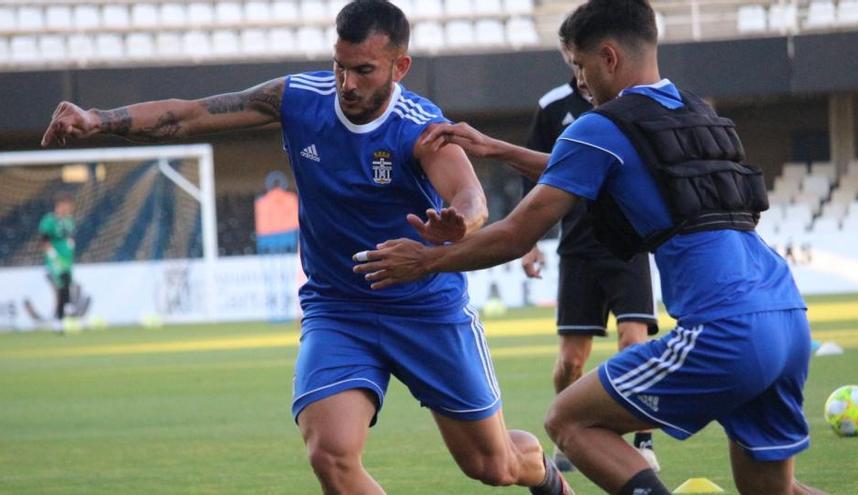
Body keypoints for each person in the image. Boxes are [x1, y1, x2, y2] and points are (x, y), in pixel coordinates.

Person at [41, 2, 573, 494]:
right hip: (339, 309)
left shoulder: (420, 127)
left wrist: (461, 222)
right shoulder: (298, 99)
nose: (346, 82)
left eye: (363, 70)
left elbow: (470, 195)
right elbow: (190, 114)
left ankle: (545, 476)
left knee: (493, 466)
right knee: (331, 454)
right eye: (339, 65)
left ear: (400, 66)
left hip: (426, 309)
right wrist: (97, 120)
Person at [353, 1, 824, 494]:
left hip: (728, 327)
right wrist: (497, 148)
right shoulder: (692, 111)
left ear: (608, 58)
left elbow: (517, 234)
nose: (579, 81)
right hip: (785, 313)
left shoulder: (603, 127)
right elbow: (589, 165)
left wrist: (427, 261)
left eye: (579, 66)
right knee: (775, 492)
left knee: (570, 421)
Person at [457, 46, 661, 473]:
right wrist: (529, 241)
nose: (577, 68)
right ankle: (569, 430)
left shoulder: (631, 103)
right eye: (572, 58)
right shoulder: (553, 107)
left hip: (628, 246)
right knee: (571, 359)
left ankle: (643, 439)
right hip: (578, 246)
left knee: (633, 342)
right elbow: (540, 173)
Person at [39, 193, 76, 325]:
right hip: (55, 258)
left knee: (67, 283)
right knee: (62, 284)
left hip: (67, 257)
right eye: (66, 206)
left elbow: (69, 235)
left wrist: (71, 242)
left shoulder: (69, 220)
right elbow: (44, 239)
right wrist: (52, 253)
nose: (68, 209)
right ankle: (66, 308)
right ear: (59, 206)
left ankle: (62, 316)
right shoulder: (49, 220)